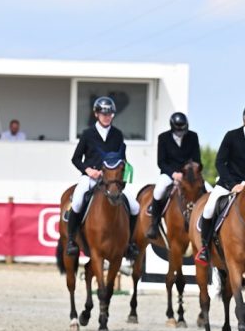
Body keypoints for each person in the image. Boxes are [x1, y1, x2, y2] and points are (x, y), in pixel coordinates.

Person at [195, 102, 245, 264]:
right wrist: (233, 185)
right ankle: (205, 248)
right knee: (209, 208)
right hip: (227, 183)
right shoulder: (231, 136)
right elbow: (220, 162)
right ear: (244, 117)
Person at [65, 96, 140, 259]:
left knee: (134, 206)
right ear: (96, 114)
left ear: (113, 115)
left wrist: (122, 178)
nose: (106, 117)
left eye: (109, 114)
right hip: (91, 177)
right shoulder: (87, 134)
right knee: (77, 201)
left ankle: (130, 244)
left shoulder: (117, 135)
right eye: (103, 114)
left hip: (111, 180)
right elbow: (76, 159)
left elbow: (123, 160)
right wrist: (88, 170)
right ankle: (71, 241)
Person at [146, 112, 202, 239]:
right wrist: (173, 174)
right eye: (178, 130)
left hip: (189, 175)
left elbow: (197, 159)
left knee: (208, 190)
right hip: (170, 173)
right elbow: (161, 162)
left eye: (183, 130)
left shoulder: (193, 136)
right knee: (158, 191)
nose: (181, 133)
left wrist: (189, 172)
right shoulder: (163, 138)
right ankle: (154, 225)